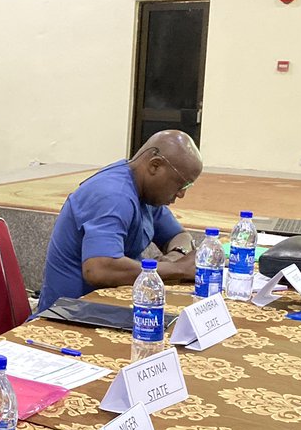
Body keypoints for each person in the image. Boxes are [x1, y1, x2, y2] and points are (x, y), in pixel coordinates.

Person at [36, 130, 201, 313]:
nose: (181, 194)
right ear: (155, 166)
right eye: (181, 184)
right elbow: (99, 269)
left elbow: (179, 236)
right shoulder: (112, 195)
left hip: (110, 307)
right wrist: (177, 268)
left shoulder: (145, 191)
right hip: (70, 315)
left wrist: (177, 253)